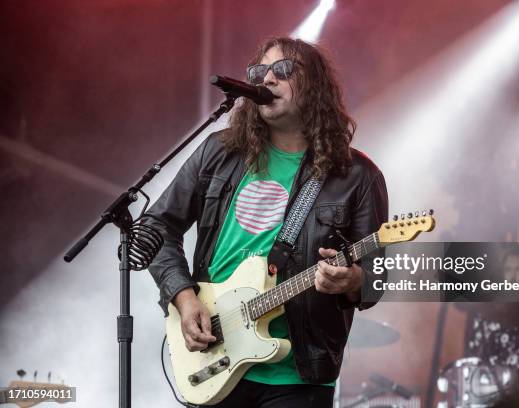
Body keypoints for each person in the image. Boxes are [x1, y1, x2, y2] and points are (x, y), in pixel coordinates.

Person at [142, 37, 388, 407]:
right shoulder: (219, 152)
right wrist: (184, 296)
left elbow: (377, 275)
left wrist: (353, 280)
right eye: (260, 71)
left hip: (297, 375)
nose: (268, 79)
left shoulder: (357, 176)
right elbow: (157, 228)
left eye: (284, 69)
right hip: (216, 357)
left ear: (315, 87)